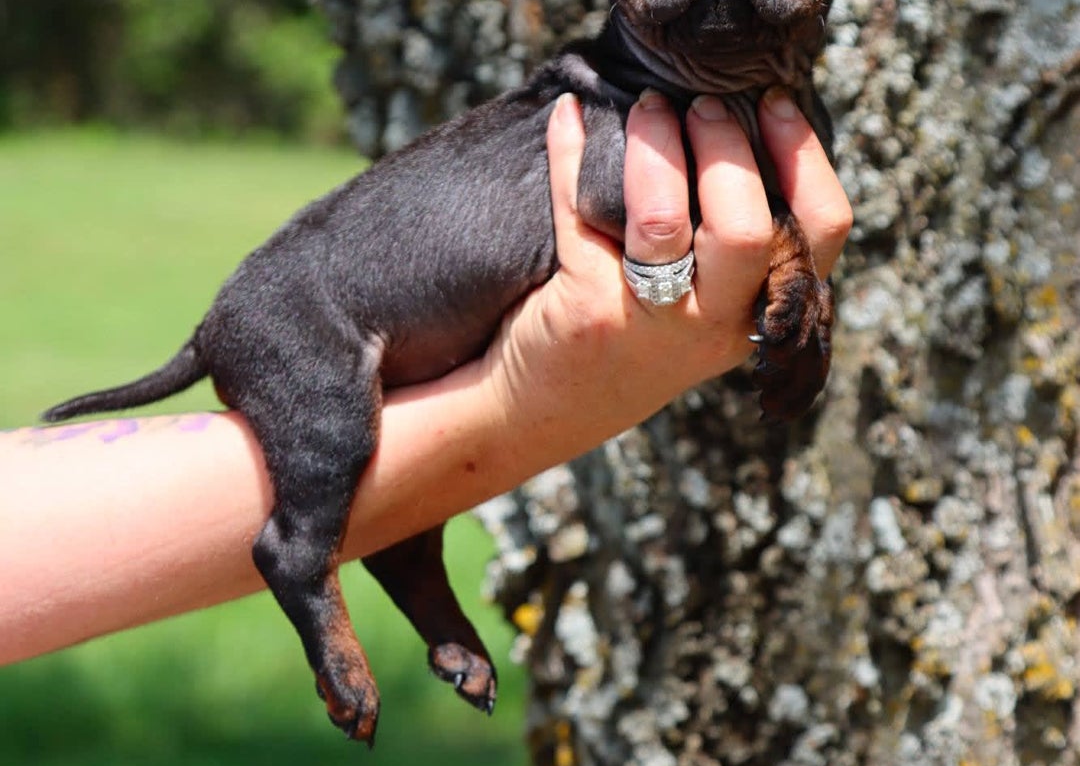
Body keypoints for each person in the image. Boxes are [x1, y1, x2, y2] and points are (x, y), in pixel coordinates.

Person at [0, 88, 851, 665]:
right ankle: (317, 586)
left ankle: (410, 587)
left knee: (345, 458)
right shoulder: (600, 108)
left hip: (326, 317)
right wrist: (515, 413)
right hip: (312, 317)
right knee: (328, 464)